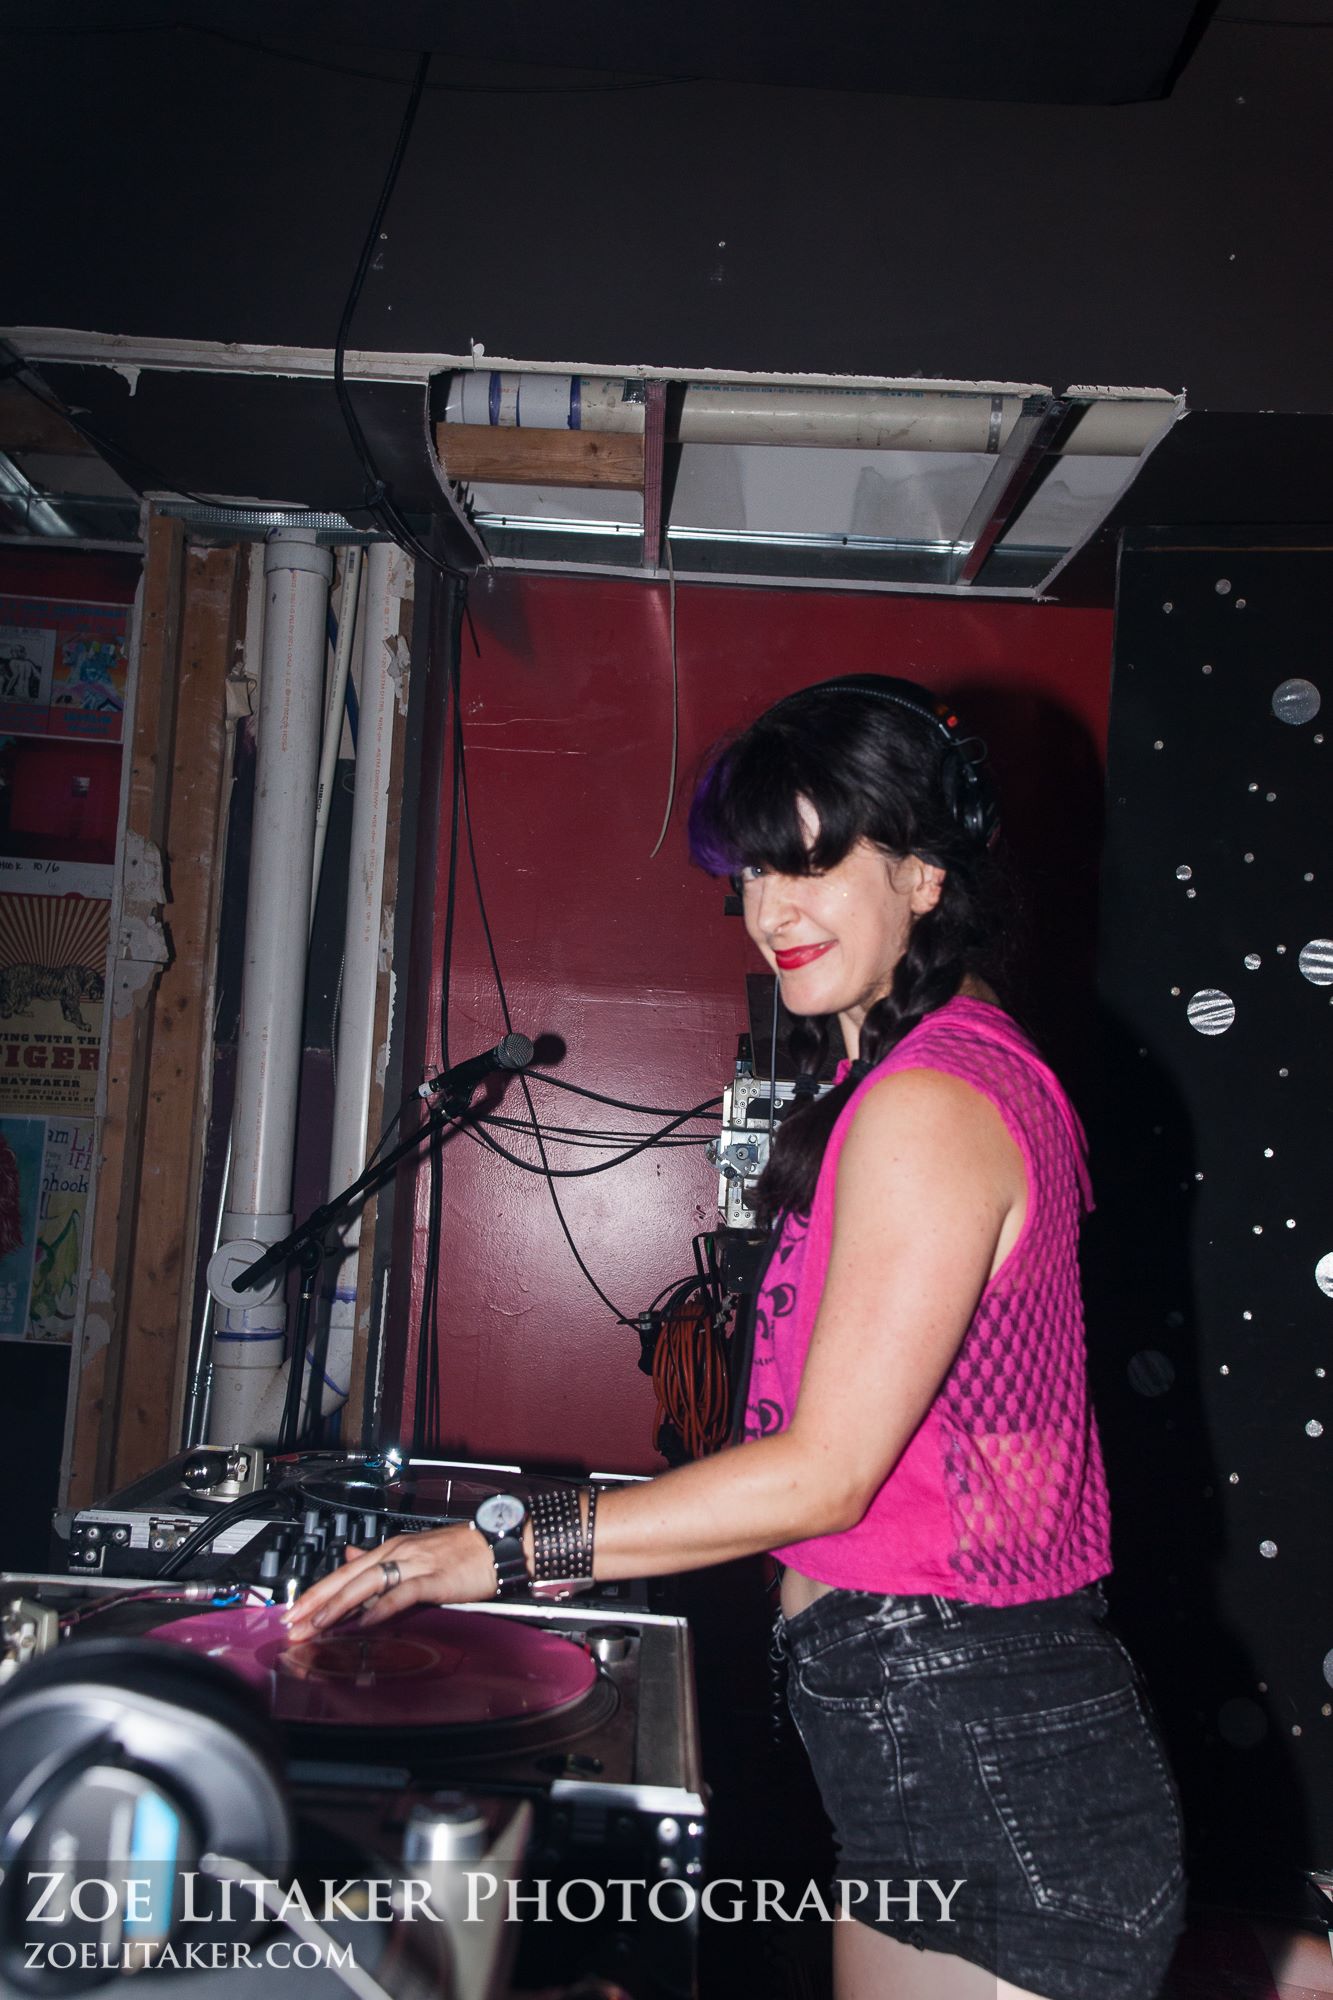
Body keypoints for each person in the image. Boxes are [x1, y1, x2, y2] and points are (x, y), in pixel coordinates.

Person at [286, 674, 1185, 1999]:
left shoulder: (932, 1102)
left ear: (923, 872)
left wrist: (495, 1551)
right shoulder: (927, 1073)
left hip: (986, 1756)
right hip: (934, 1736)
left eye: (813, 865)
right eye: (756, 872)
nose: (771, 913)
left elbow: (823, 1478)